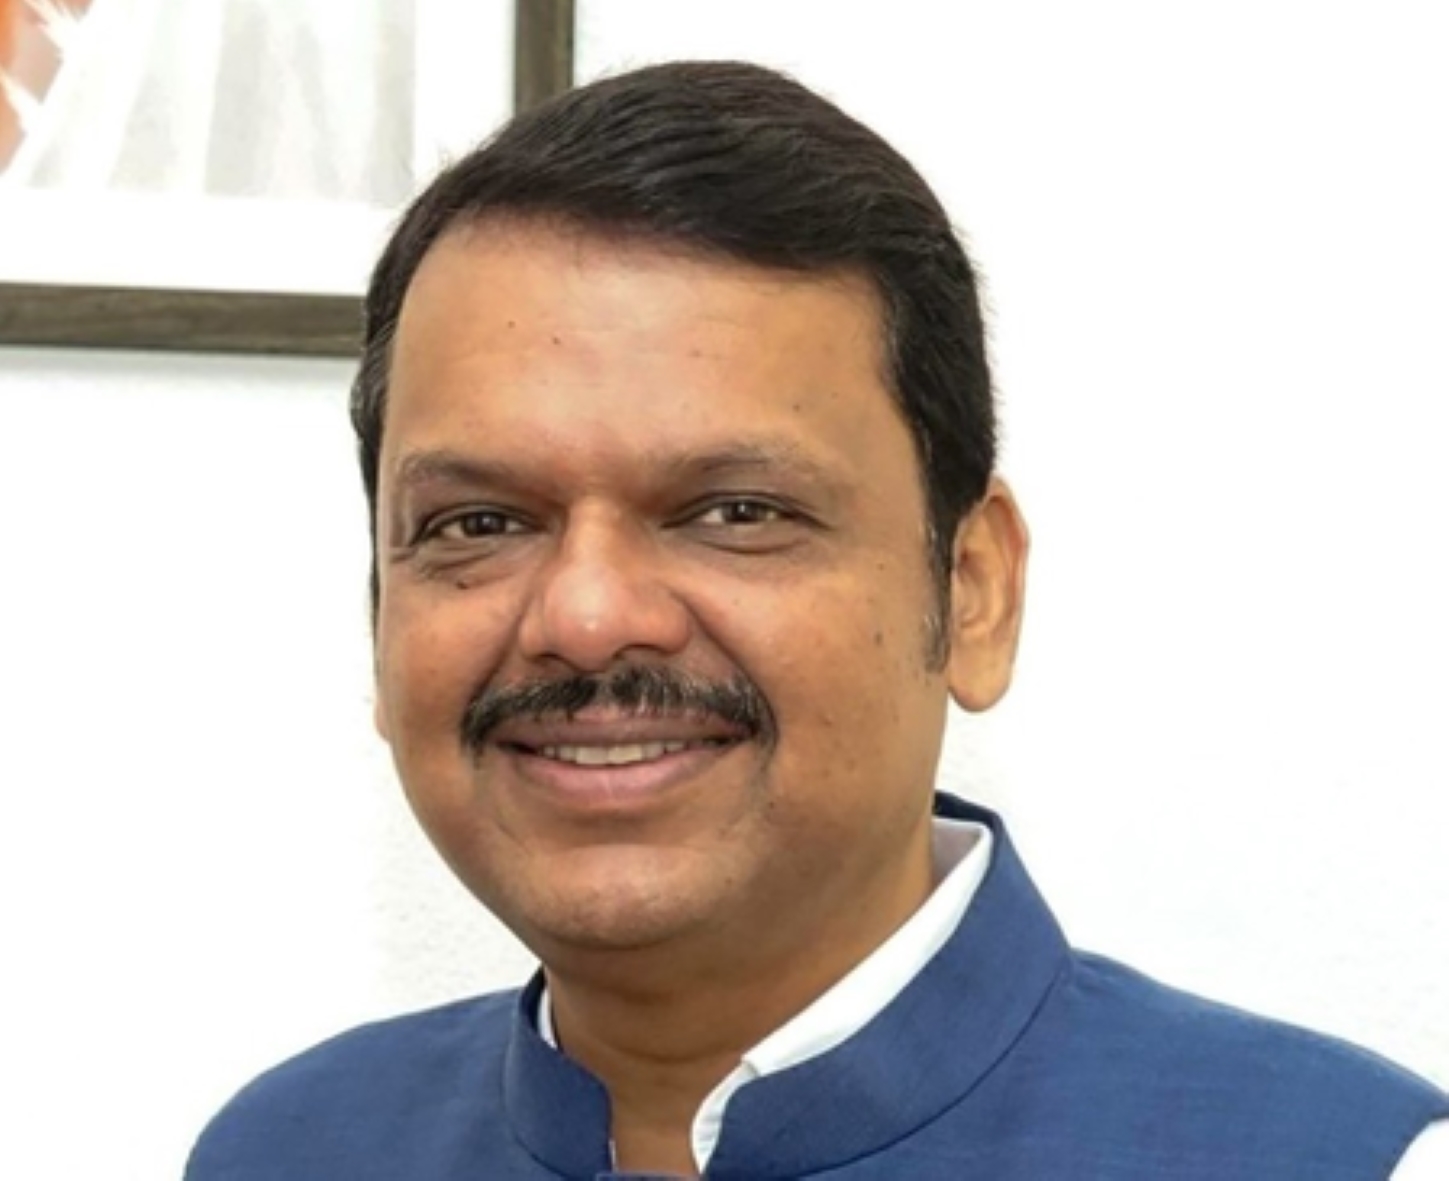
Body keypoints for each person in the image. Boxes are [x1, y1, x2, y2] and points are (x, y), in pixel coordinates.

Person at [187, 60, 1448, 1179]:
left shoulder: (1345, 1159)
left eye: (735, 510)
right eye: (479, 522)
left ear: (972, 589)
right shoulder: (288, 1150)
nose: (585, 613)